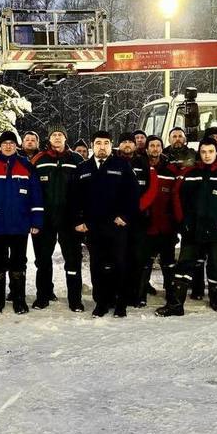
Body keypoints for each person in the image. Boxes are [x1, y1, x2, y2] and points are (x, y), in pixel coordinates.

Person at [156, 137, 217, 316]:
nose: (207, 155)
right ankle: (176, 305)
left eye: (210, 151)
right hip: (193, 228)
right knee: (183, 266)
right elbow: (177, 196)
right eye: (203, 152)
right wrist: (183, 222)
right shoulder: (190, 171)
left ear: (216, 151)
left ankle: (215, 297)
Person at [0, 131, 44, 315]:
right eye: (5, 143)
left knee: (19, 262)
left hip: (20, 225)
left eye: (11, 143)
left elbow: (36, 196)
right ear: (0, 145)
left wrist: (36, 220)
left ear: (17, 146)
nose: (8, 146)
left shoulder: (26, 166)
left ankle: (18, 299)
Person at [73, 131, 139, 318]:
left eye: (106, 143)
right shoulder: (83, 168)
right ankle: (101, 302)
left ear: (111, 146)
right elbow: (74, 197)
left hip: (116, 226)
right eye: (98, 143)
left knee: (119, 263)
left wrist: (125, 216)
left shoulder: (122, 166)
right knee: (97, 265)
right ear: (92, 145)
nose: (102, 146)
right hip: (93, 226)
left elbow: (133, 194)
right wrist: (79, 220)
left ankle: (120, 303)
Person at [31, 126, 84, 311]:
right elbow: (31, 189)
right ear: (49, 138)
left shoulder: (76, 159)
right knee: (43, 260)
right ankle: (43, 296)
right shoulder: (39, 159)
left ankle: (75, 299)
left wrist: (80, 216)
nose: (57, 137)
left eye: (60, 134)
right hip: (45, 219)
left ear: (65, 138)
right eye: (54, 135)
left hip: (69, 220)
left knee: (73, 260)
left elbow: (84, 189)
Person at [137, 135, 180, 307]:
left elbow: (176, 197)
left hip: (166, 224)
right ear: (147, 149)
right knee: (145, 261)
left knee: (168, 262)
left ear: (162, 148)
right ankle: (141, 295)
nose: (155, 149)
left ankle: (170, 292)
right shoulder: (140, 166)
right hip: (146, 223)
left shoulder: (170, 169)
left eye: (158, 146)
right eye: (152, 146)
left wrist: (176, 220)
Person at [116, 132, 158, 307]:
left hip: (138, 219)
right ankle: (119, 294)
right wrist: (117, 213)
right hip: (117, 220)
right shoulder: (112, 162)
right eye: (123, 141)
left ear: (135, 145)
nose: (127, 144)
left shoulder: (144, 163)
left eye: (130, 142)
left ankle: (138, 294)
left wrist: (134, 210)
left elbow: (152, 189)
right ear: (119, 145)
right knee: (119, 258)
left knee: (138, 258)